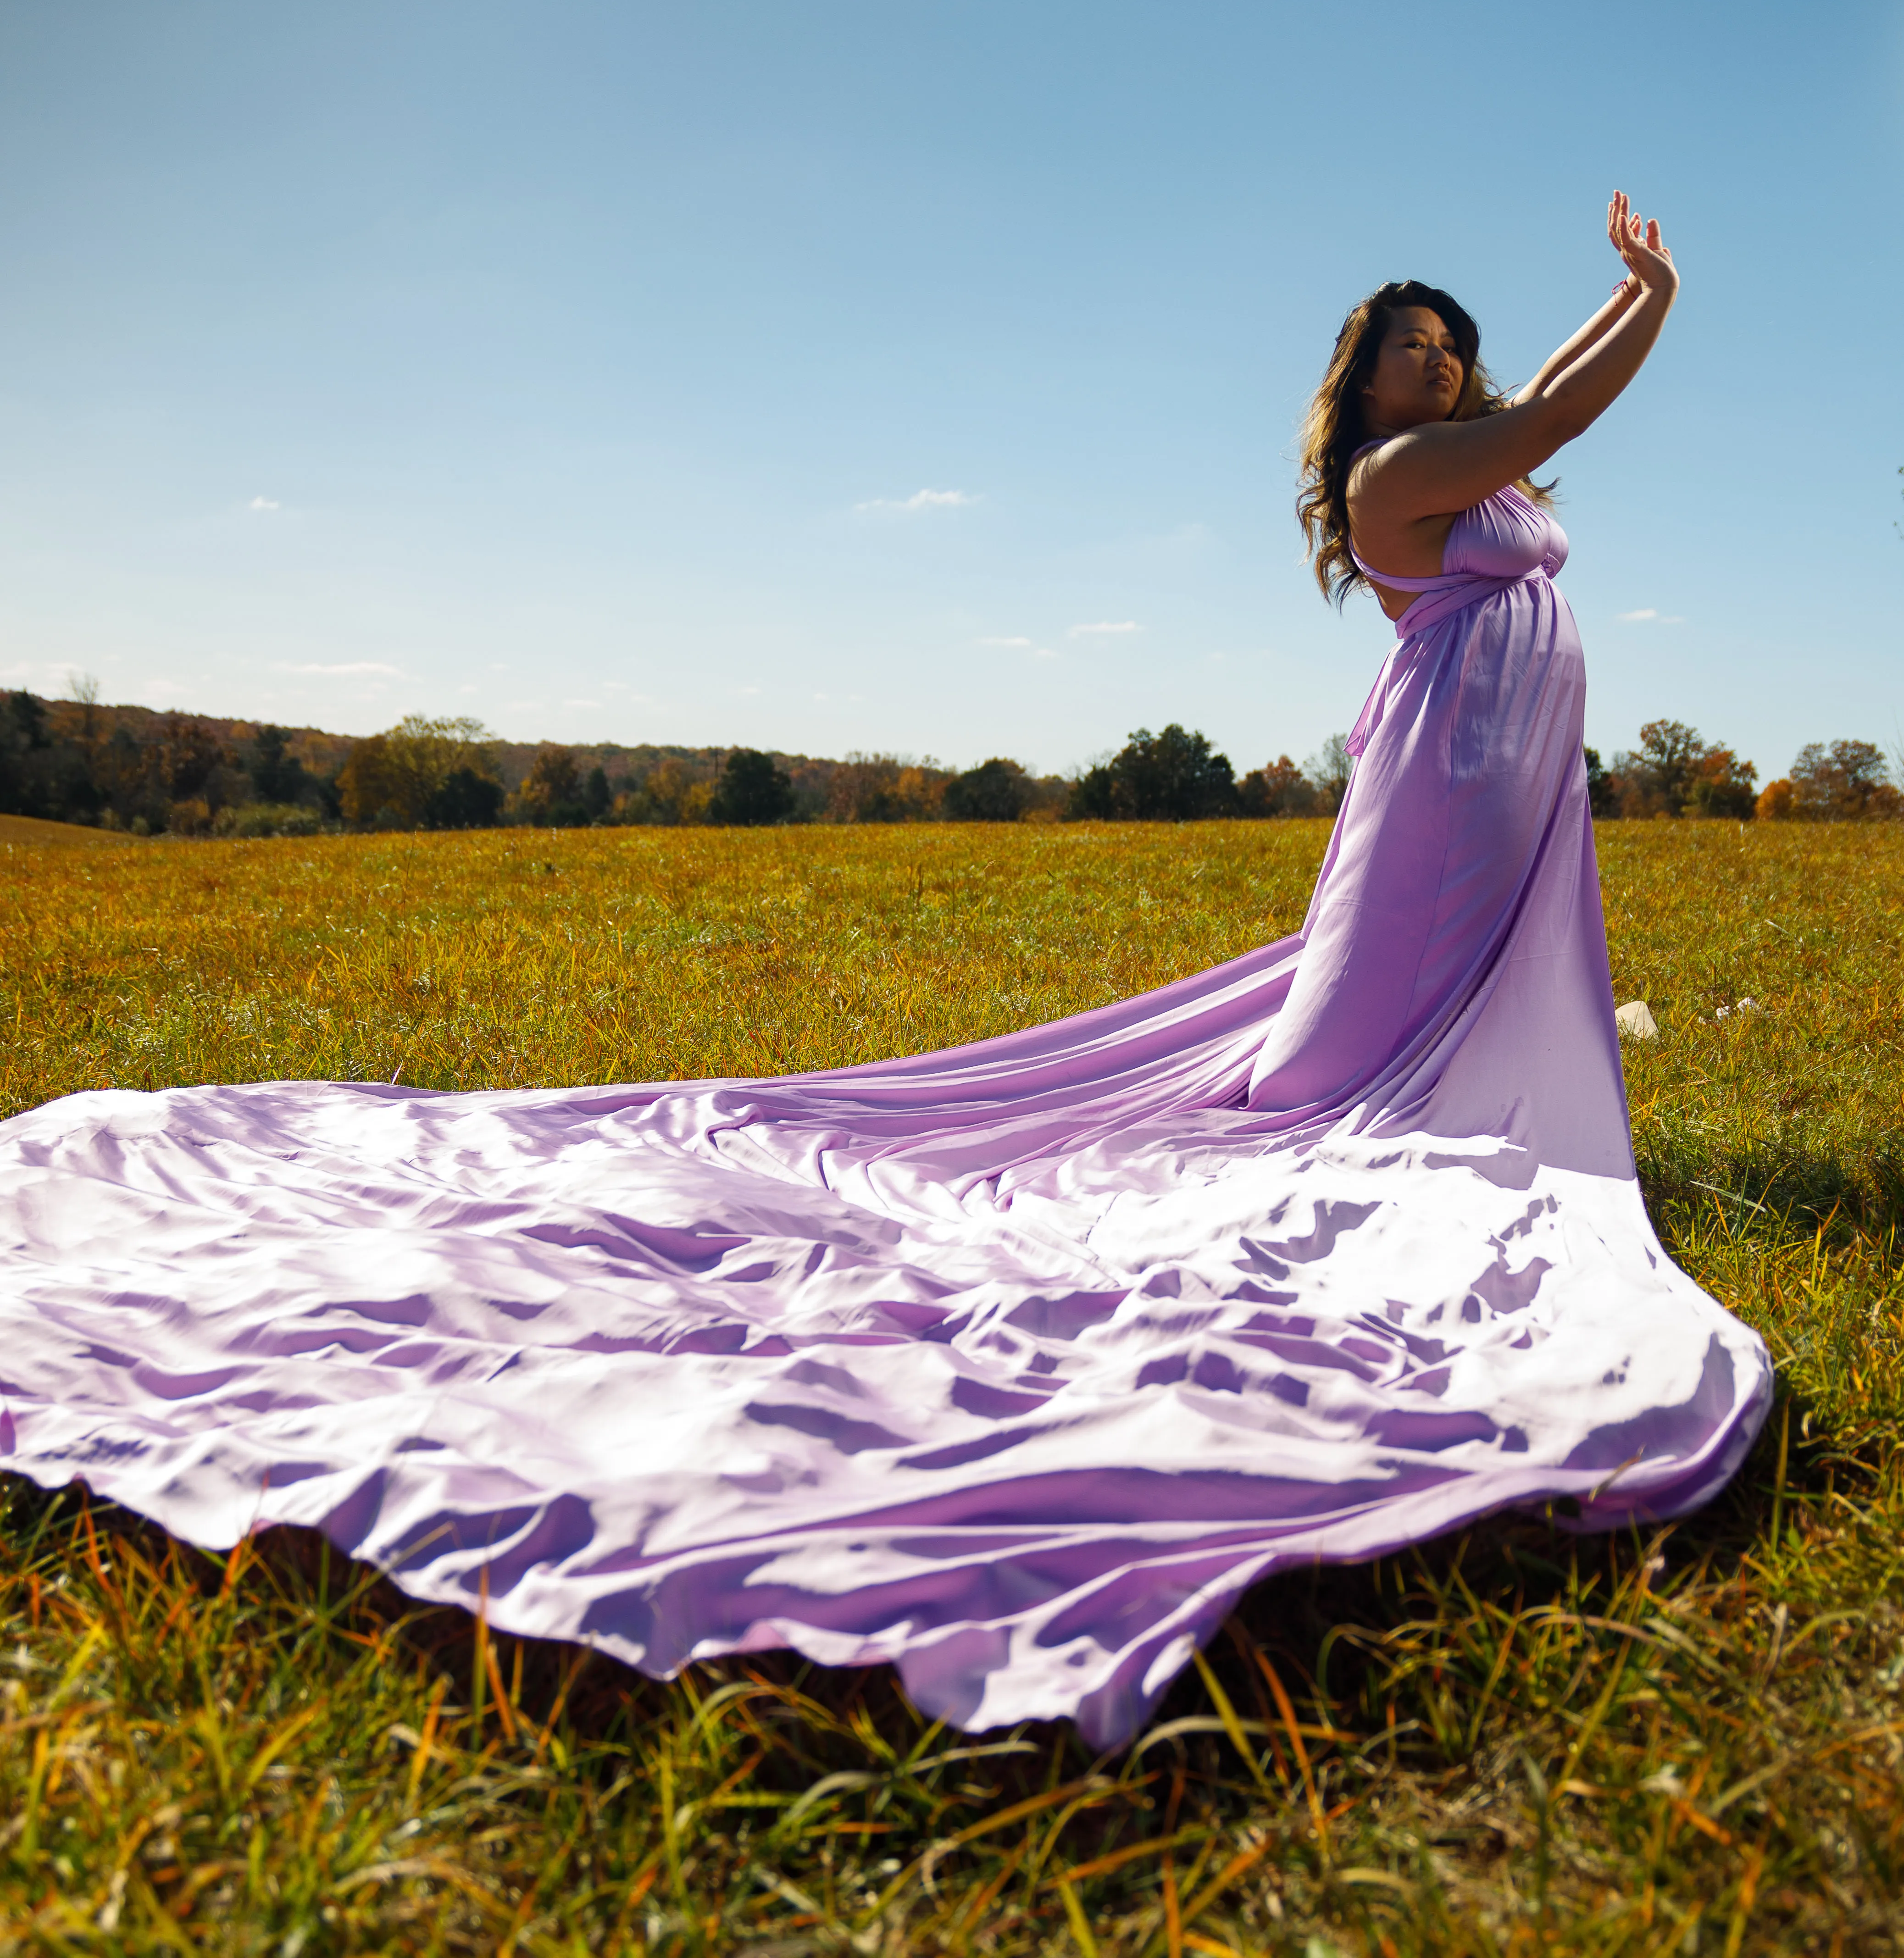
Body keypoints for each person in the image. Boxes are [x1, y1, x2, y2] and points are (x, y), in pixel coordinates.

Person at [0, 196, 1767, 1752]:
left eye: (1449, 344)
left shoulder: (1478, 459)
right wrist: (1657, 312)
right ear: (1359, 385)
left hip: (1502, 770)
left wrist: (1630, 292)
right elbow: (1557, 411)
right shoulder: (1397, 484)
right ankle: (1346, 1114)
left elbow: (1545, 400)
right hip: (1450, 777)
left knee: (1439, 1017)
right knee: (1359, 1060)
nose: (1437, 362)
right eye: (1407, 346)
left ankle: (1401, 1096)